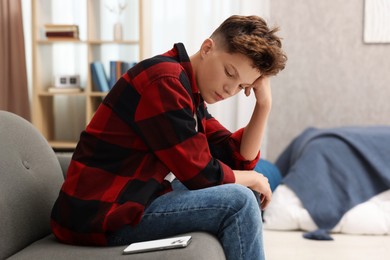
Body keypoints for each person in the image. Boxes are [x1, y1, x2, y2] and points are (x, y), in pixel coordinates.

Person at [50, 15, 287, 259]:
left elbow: (234, 158)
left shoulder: (188, 91)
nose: (230, 90)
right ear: (207, 48)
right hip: (101, 217)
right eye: (229, 73)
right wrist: (254, 178)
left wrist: (263, 105)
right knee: (240, 201)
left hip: (136, 196)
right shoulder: (165, 81)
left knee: (242, 187)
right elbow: (203, 175)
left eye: (241, 86)